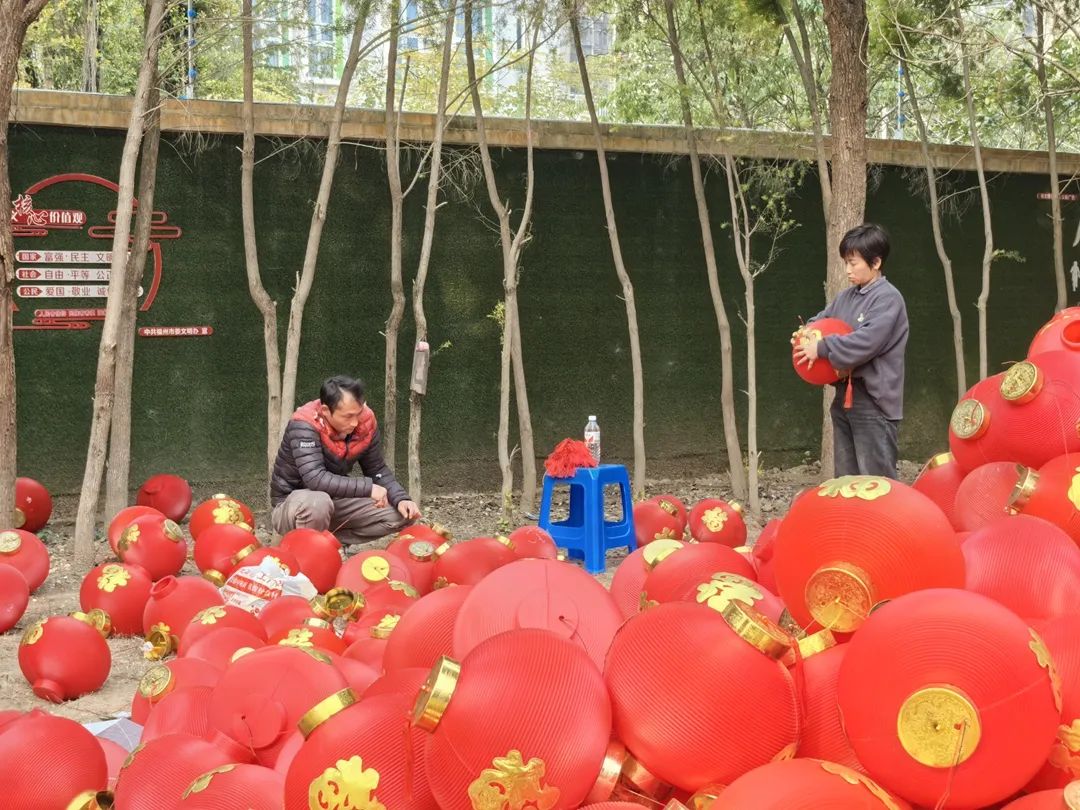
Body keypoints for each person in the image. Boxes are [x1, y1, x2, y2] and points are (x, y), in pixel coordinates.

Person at [793, 223, 909, 479]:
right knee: (846, 482)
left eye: (853, 263)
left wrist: (821, 347)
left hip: (875, 402)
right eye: (846, 262)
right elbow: (820, 321)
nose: (847, 270)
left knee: (875, 485)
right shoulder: (845, 297)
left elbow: (865, 342)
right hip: (844, 398)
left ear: (876, 262)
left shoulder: (888, 298)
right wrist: (805, 334)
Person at [270, 375, 421, 544]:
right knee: (318, 503)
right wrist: (368, 488)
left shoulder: (365, 422)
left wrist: (401, 498)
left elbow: (376, 469)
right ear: (326, 411)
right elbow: (315, 478)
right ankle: (306, 552)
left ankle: (331, 544)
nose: (355, 423)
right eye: (348, 416)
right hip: (293, 505)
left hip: (335, 501)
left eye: (358, 413)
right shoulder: (305, 425)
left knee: (401, 515)